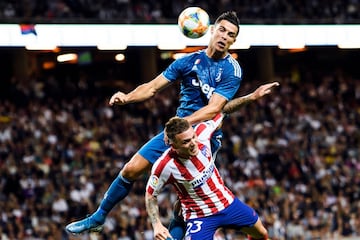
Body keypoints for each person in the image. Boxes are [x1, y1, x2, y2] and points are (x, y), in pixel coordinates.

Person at [65, 10, 277, 238]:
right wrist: (127, 97)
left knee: (185, 204)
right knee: (131, 168)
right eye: (222, 30)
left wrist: (182, 124)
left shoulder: (231, 70)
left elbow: (216, 108)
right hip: (175, 133)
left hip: (202, 138)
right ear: (212, 30)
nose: (225, 36)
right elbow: (152, 87)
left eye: (231, 34)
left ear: (234, 40)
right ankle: (98, 218)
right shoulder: (187, 61)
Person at [145, 114, 269, 240]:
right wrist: (157, 225)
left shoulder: (202, 132)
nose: (193, 143)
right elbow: (150, 194)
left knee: (261, 233)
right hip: (200, 216)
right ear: (174, 145)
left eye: (193, 137)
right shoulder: (165, 165)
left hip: (227, 203)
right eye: (186, 142)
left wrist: (252, 96)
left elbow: (222, 111)